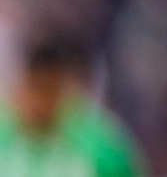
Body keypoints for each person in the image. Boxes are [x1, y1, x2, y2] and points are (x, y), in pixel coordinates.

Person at [0, 28, 143, 177]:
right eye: (37, 88)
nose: (41, 101)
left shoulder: (100, 147)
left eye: (50, 89)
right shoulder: (3, 135)